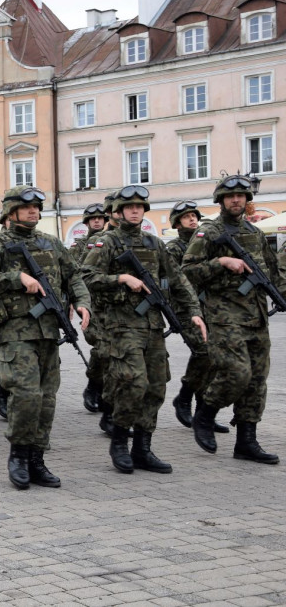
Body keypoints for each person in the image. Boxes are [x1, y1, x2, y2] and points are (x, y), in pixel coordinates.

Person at [0, 186, 91, 489]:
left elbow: (73, 274)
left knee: (47, 398)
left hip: (49, 331)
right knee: (25, 395)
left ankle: (37, 459)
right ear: (11, 212)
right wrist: (17, 278)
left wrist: (81, 301)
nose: (34, 211)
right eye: (26, 208)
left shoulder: (50, 242)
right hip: (16, 332)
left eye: (37, 207)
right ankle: (18, 456)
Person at [81, 186, 205, 474]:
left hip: (152, 326)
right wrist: (121, 278)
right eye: (130, 207)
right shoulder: (106, 242)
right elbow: (86, 276)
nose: (135, 210)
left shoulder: (153, 243)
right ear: (119, 212)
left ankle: (143, 448)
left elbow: (179, 280)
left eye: (140, 207)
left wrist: (195, 313)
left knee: (156, 386)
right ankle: (120, 442)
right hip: (120, 326)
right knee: (132, 383)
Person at [182, 175, 282, 464]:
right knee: (237, 373)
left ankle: (246, 442)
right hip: (225, 317)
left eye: (241, 196)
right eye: (230, 196)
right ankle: (206, 412)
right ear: (221, 200)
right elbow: (186, 270)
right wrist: (221, 262)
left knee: (257, 381)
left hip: (257, 317)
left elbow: (272, 272)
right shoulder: (209, 233)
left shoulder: (255, 232)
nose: (236, 200)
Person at [166, 201, 228, 435]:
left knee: (214, 357)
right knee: (203, 352)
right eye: (186, 217)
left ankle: (203, 412)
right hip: (185, 310)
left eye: (194, 216)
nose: (192, 219)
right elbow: (176, 280)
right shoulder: (174, 248)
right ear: (177, 222)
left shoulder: (208, 243)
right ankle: (184, 396)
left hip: (212, 308)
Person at [68, 203, 108, 414]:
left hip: (112, 305)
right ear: (86, 222)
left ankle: (106, 393)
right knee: (101, 348)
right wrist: (72, 303)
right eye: (93, 219)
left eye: (101, 218)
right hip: (91, 305)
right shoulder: (78, 247)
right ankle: (93, 385)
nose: (97, 221)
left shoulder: (111, 241)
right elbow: (70, 276)